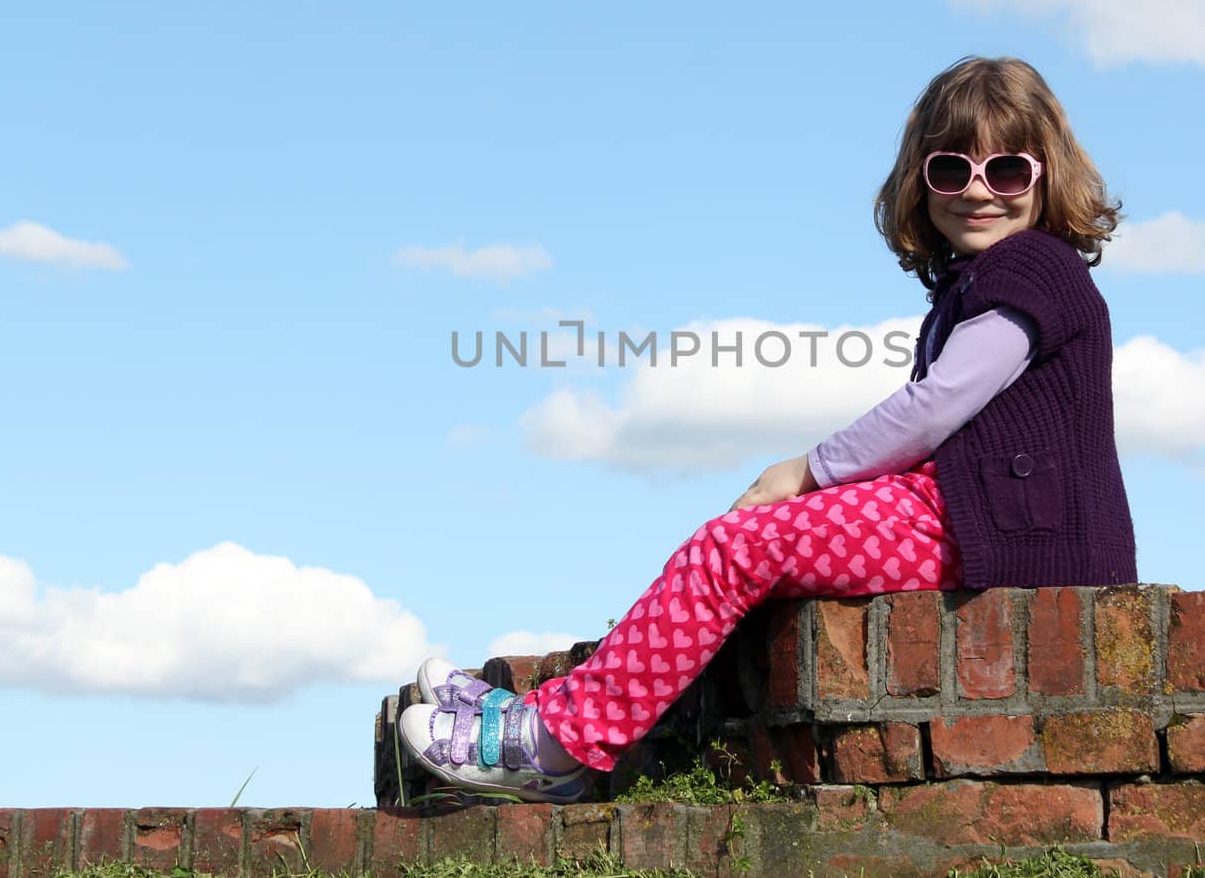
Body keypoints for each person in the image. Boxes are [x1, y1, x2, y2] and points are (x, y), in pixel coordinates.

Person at [398, 55, 1136, 802]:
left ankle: (559, 745)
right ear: (921, 180)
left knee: (732, 547)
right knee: (747, 542)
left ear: (1046, 177)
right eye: (952, 169)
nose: (978, 190)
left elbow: (938, 403)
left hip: (1002, 531)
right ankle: (553, 713)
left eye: (1007, 170)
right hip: (977, 519)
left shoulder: (1035, 270)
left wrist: (809, 469)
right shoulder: (987, 280)